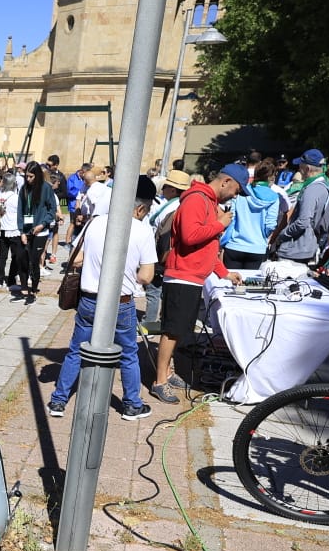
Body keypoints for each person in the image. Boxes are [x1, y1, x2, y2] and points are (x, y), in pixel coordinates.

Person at [48, 175, 157, 421]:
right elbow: (147, 276)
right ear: (139, 208)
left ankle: (58, 400)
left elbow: (76, 259)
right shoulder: (142, 230)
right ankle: (131, 404)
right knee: (128, 354)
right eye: (146, 210)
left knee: (76, 351)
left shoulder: (95, 224)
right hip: (122, 303)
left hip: (89, 299)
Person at [150, 163, 246, 404]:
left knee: (179, 330)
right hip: (182, 275)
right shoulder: (197, 200)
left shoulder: (207, 201)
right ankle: (159, 381)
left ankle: (167, 372)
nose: (235, 195)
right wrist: (220, 224)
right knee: (172, 330)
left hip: (191, 276)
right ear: (225, 182)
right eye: (236, 189)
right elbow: (189, 236)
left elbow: (207, 248)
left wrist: (225, 273)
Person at [272, 149, 329, 267]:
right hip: (308, 245)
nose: (299, 170)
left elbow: (303, 221)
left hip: (296, 248)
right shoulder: (326, 185)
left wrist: (282, 235)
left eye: (300, 167)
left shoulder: (312, 189)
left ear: (307, 169)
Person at [147, 168, 190, 331]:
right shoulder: (176, 205)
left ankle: (151, 323)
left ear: (173, 189)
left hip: (161, 255)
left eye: (165, 186)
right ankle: (159, 321)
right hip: (167, 254)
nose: (163, 189)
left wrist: (158, 260)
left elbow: (165, 236)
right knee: (162, 291)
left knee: (154, 291)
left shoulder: (173, 208)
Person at [221, 158, 280, 272]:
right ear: (271, 177)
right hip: (257, 248)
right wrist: (262, 235)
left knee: (229, 286)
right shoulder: (274, 197)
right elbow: (270, 225)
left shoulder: (242, 191)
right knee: (251, 287)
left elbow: (231, 217)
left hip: (234, 245)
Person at [13, 162, 59, 303]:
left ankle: (33, 289)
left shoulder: (46, 188)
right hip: (26, 230)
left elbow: (52, 210)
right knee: (21, 259)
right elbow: (20, 210)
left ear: (37, 175)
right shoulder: (23, 189)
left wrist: (43, 224)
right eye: (26, 176)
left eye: (31, 176)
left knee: (34, 261)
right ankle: (24, 287)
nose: (28, 179)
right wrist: (21, 231)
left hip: (40, 232)